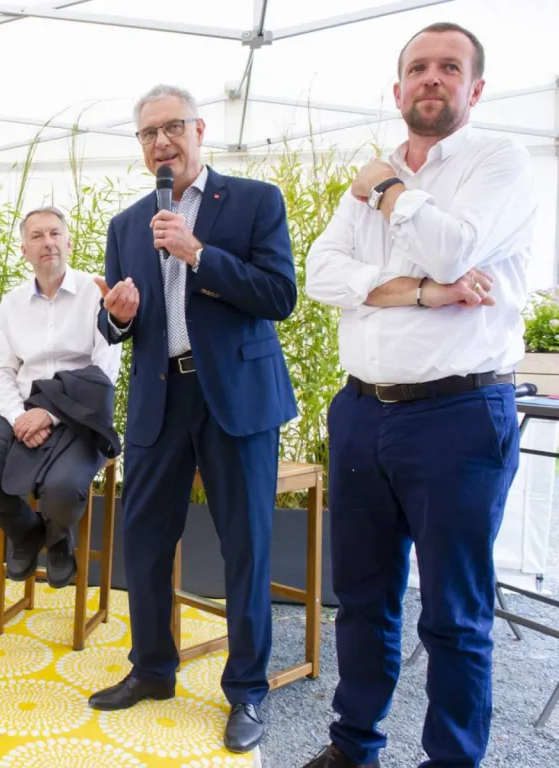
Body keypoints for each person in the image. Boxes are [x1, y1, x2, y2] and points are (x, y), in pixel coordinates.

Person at [302, 23, 533, 768]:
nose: (431, 78)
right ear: (397, 87)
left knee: (454, 615)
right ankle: (353, 744)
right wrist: (427, 294)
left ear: (475, 87)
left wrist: (393, 193)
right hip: (363, 410)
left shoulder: (499, 161)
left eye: (449, 68)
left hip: (459, 415)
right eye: (417, 68)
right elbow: (321, 273)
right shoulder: (370, 174)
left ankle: (452, 760)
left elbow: (456, 247)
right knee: (364, 599)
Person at [88, 84, 298, 754]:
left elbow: (279, 295)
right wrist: (116, 317)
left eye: (171, 128)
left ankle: (246, 692)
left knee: (246, 546)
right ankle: (152, 670)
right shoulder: (126, 225)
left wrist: (200, 253)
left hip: (235, 397)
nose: (160, 144)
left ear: (200, 129)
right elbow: (117, 319)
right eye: (147, 134)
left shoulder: (255, 201)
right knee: (144, 544)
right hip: (160, 397)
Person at [0, 207, 122, 589]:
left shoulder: (98, 294)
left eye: (54, 233)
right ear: (23, 250)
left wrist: (50, 413)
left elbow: (103, 372)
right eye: (36, 236)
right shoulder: (12, 303)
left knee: (62, 489)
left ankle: (59, 538)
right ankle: (29, 532)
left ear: (69, 242)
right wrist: (18, 417)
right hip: (24, 408)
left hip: (83, 413)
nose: (47, 242)